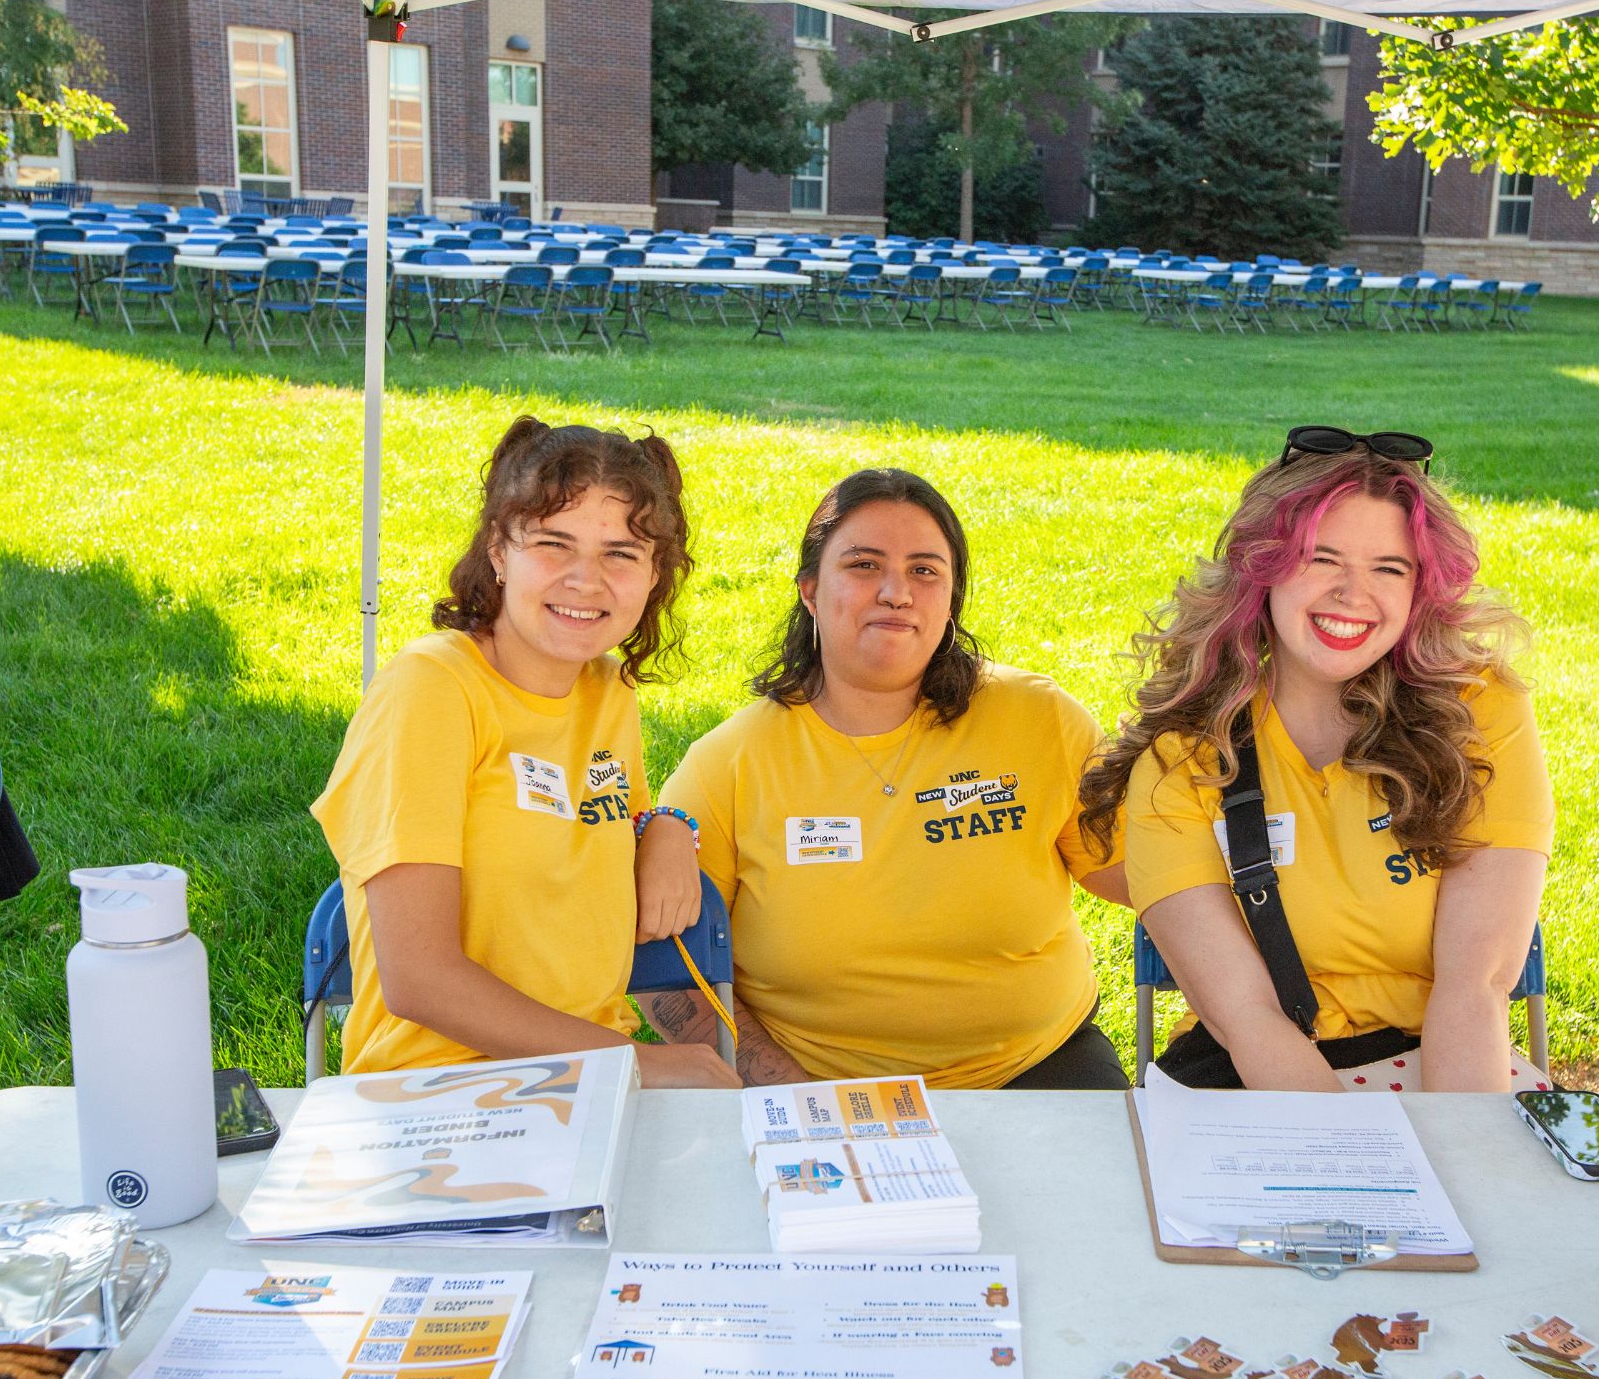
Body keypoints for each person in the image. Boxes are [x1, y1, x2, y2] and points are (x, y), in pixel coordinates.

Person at [1080, 426, 1552, 1093]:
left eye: (1389, 568)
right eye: (1320, 559)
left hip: (1451, 1067)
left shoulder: (1481, 711)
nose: (1352, 595)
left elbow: (1475, 988)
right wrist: (1359, 1170)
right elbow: (1247, 1019)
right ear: (1260, 570)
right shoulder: (1184, 758)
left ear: (1421, 590)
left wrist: (1459, 1159)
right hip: (1265, 1076)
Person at [641, 468, 1131, 1090]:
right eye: (865, 565)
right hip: (815, 1087)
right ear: (811, 591)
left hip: (1039, 1066)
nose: (897, 592)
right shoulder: (728, 765)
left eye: (925, 570)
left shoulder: (1040, 720)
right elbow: (669, 975)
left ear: (950, 600)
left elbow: (1137, 876)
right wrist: (788, 1089)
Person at [311, 416, 737, 1086]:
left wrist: (667, 830)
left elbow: (611, 830)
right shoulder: (432, 689)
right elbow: (419, 978)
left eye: (621, 553)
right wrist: (637, 1067)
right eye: (552, 543)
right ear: (499, 552)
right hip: (439, 1089)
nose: (585, 580)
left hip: (586, 1085)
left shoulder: (605, 691)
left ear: (656, 573)